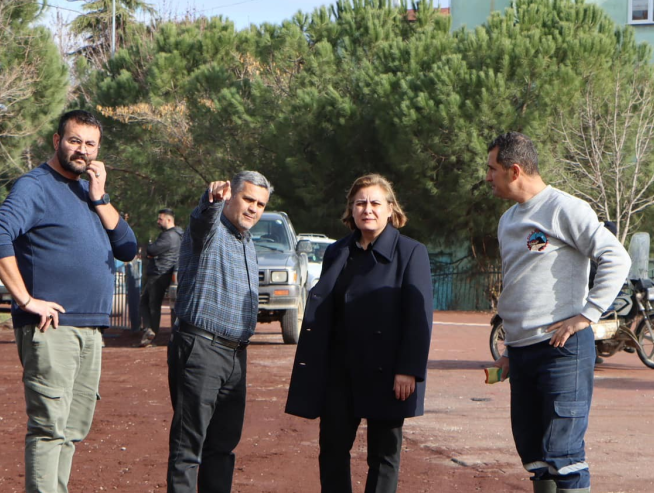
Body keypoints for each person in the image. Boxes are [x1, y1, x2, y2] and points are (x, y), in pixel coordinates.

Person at [0, 109, 138, 493]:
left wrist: (100, 197)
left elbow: (127, 247)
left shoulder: (87, 193)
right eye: (74, 141)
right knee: (49, 427)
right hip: (51, 327)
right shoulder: (35, 186)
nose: (82, 150)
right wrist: (25, 299)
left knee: (72, 428)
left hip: (90, 327)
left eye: (90, 144)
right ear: (57, 141)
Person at [485, 132, 631, 493]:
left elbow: (616, 258)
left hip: (561, 349)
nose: (487, 177)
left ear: (514, 170)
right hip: (521, 352)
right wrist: (509, 350)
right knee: (535, 457)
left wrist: (588, 314)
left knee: (564, 455)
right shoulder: (507, 220)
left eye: (492, 169)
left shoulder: (565, 208)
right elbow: (518, 283)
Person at [285, 174, 434, 493]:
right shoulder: (337, 251)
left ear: (391, 209)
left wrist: (408, 369)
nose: (368, 209)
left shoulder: (411, 252)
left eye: (375, 203)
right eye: (360, 203)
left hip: (389, 372)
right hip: (340, 371)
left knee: (384, 456)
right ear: (350, 209)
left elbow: (418, 317)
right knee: (332, 450)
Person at [166, 172, 271, 493]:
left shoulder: (247, 241)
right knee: (188, 448)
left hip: (235, 356)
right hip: (201, 348)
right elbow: (202, 220)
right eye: (248, 199)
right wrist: (210, 199)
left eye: (260, 204)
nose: (253, 208)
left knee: (222, 448)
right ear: (230, 197)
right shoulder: (211, 230)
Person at [138, 208, 183, 346]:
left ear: (169, 220)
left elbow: (151, 250)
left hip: (158, 273)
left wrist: (151, 251)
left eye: (160, 219)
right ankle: (149, 331)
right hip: (165, 273)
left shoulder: (168, 236)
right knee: (149, 303)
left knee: (150, 304)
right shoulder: (179, 235)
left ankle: (150, 332)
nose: (158, 221)